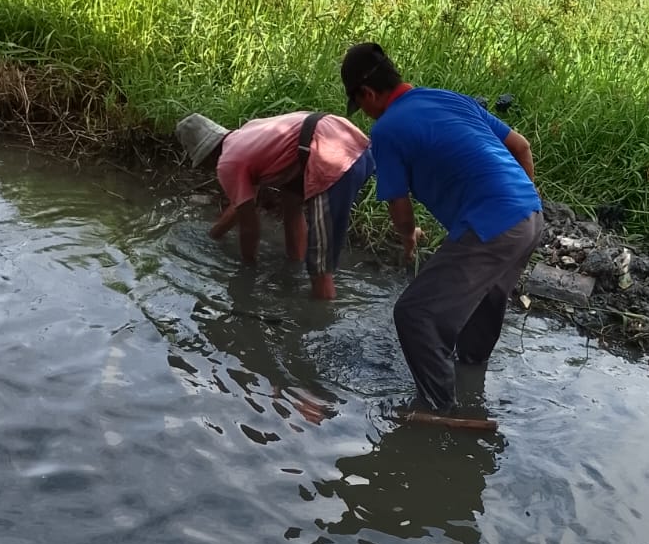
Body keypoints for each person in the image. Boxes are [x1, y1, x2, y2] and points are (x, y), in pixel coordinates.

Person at [341, 42, 543, 411]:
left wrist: (408, 238)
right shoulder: (449, 98)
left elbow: (399, 204)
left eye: (361, 105)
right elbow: (522, 147)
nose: (366, 114)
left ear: (367, 93)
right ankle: (472, 387)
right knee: (483, 304)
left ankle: (439, 412)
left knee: (415, 314)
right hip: (530, 215)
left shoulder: (387, 129)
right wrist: (520, 200)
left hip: (491, 224)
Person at [175, 109, 373, 301]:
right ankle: (295, 265)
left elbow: (249, 226)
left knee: (320, 263)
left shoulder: (227, 163)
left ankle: (321, 312)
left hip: (333, 157)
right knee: (291, 201)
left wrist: (248, 267)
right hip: (352, 140)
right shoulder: (246, 134)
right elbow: (241, 205)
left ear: (208, 155)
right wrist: (214, 235)